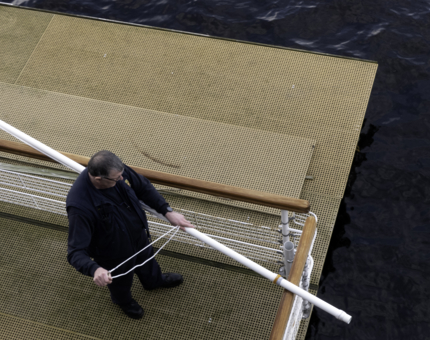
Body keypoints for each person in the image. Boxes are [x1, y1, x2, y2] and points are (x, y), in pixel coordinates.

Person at [66, 150, 194, 319]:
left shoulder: (116, 171)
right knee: (120, 282)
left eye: (121, 175)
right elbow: (75, 251)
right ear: (99, 179)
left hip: (139, 237)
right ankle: (123, 301)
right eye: (117, 178)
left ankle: (153, 282)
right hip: (112, 255)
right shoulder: (80, 206)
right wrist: (95, 269)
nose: (122, 179)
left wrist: (167, 211)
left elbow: (143, 187)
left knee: (149, 262)